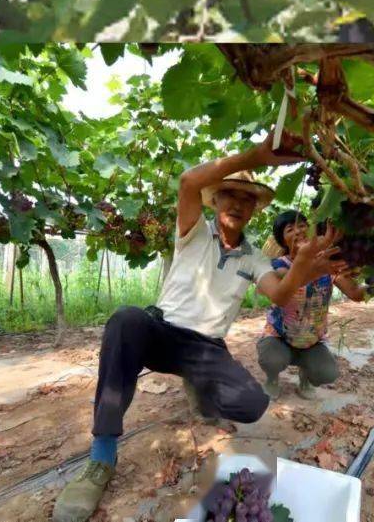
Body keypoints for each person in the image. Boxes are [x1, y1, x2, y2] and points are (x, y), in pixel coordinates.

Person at [52, 137, 343, 522]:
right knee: (125, 320)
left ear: (255, 209)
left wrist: (303, 268)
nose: (238, 204)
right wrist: (256, 156)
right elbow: (188, 182)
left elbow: (279, 294)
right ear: (216, 201)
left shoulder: (256, 258)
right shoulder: (194, 232)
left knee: (251, 405)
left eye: (247, 199)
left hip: (206, 348)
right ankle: (101, 457)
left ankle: (199, 387)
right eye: (230, 195)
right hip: (160, 330)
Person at [258, 209, 365, 399]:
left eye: (302, 226)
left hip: (311, 340)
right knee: (271, 360)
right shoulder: (278, 265)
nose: (298, 231)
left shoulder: (328, 264)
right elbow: (286, 282)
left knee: (327, 373)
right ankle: (272, 379)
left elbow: (355, 293)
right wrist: (311, 264)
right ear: (282, 240)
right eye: (290, 229)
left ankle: (305, 375)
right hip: (279, 336)